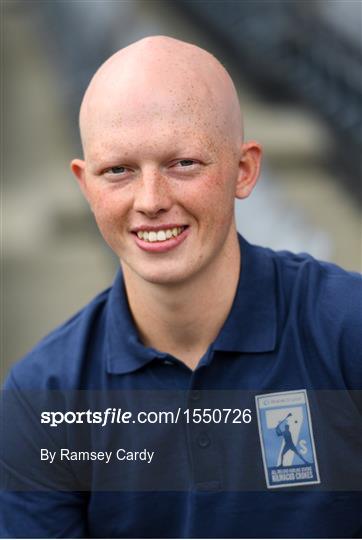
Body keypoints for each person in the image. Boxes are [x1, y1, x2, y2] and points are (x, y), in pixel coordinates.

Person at [1, 36, 361, 538]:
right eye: (118, 170)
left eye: (183, 163)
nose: (150, 200)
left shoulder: (348, 330)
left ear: (244, 169)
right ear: (85, 187)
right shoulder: (43, 399)